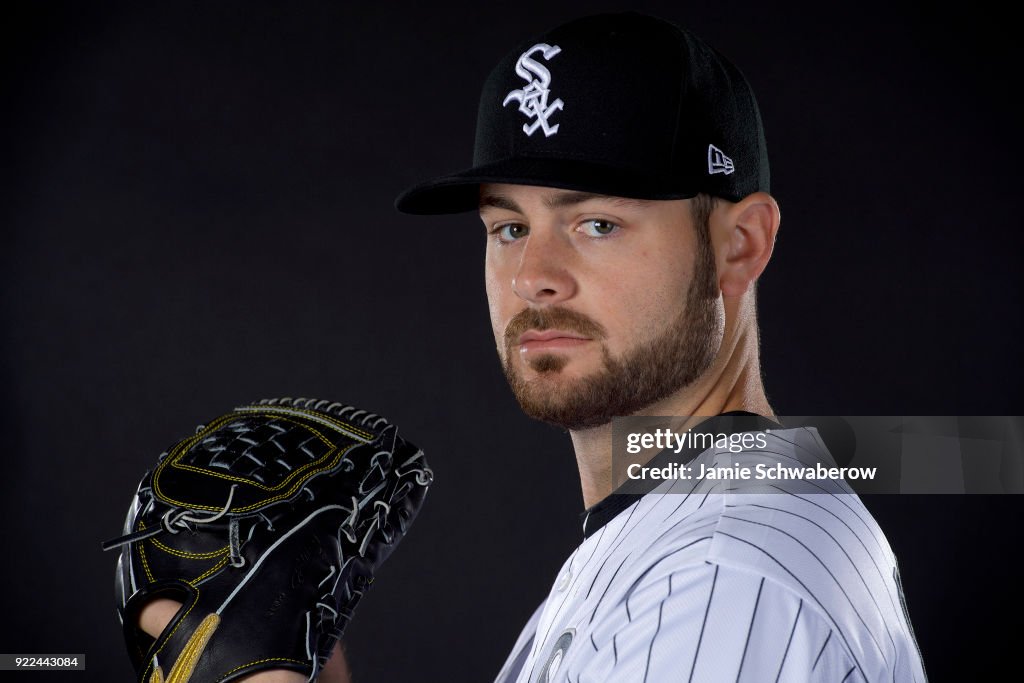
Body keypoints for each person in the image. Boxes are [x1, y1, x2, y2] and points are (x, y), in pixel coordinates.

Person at [395, 11, 927, 683]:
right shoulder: (680, 528)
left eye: (596, 223)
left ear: (740, 244)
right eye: (508, 226)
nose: (534, 276)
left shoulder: (721, 575)